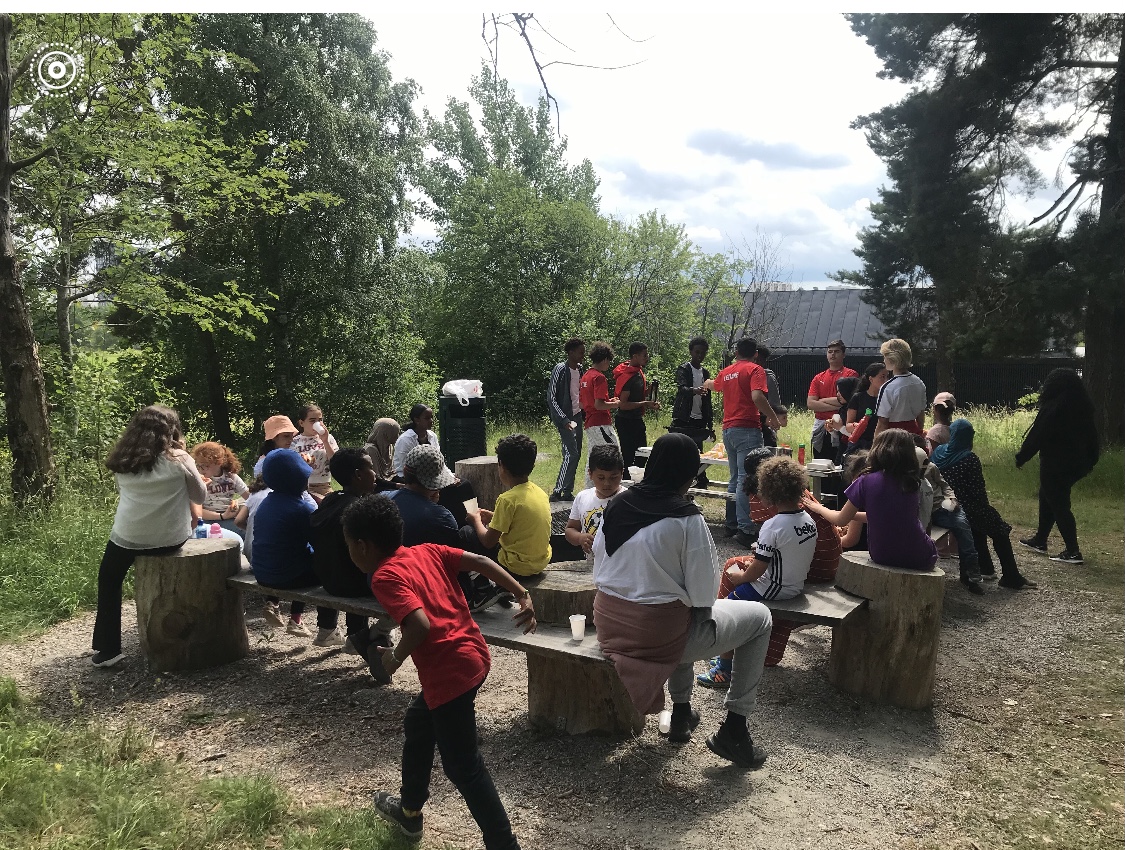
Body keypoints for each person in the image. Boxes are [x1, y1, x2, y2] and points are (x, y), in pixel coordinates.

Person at [342, 494, 535, 850]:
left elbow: (419, 625)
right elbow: (479, 560)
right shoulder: (425, 550)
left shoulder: (383, 576)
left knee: (464, 768)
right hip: (474, 656)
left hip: (449, 673)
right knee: (419, 723)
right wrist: (522, 592)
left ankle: (504, 844)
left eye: (348, 546)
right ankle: (410, 811)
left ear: (362, 546)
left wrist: (394, 658)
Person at [592, 433, 773, 769]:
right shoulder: (686, 518)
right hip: (659, 636)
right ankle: (735, 728)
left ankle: (681, 714)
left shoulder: (617, 504)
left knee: (678, 610)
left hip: (610, 627)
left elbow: (599, 567)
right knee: (759, 618)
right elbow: (704, 593)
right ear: (689, 475)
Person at [90, 405, 207, 668]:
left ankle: (108, 650)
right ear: (172, 430)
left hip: (128, 537)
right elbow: (200, 497)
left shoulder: (123, 460)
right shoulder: (180, 459)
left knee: (109, 579)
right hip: (171, 538)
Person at [698, 455, 828, 683]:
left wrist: (740, 577)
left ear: (768, 492)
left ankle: (724, 668)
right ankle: (726, 656)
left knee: (728, 608)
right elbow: (785, 554)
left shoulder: (773, 525)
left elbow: (757, 570)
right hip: (793, 585)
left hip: (774, 588)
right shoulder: (807, 520)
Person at [388, 444, 508, 612]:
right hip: (429, 586)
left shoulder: (384, 499)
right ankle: (481, 586)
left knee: (463, 486)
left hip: (391, 579)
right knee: (467, 532)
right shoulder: (441, 516)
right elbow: (454, 558)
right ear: (433, 483)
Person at [804, 429, 938, 571]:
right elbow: (889, 517)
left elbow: (840, 520)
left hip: (882, 555)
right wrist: (853, 515)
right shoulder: (911, 483)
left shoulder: (866, 480)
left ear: (877, 450)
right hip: (921, 555)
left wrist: (818, 508)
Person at [310, 449, 397, 670]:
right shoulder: (360, 511)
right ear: (358, 475)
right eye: (371, 468)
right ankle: (371, 636)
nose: (375, 474)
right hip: (354, 585)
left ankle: (351, 634)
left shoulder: (330, 500)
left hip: (328, 581)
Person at [934, 420, 1038, 589]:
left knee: (979, 526)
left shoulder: (938, 453)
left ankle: (986, 568)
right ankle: (1011, 576)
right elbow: (978, 492)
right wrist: (988, 512)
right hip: (967, 507)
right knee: (999, 530)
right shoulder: (969, 458)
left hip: (945, 507)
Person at [252, 448, 343, 640]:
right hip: (287, 576)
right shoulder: (302, 508)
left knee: (297, 557)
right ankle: (328, 630)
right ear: (301, 479)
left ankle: (283, 609)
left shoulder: (266, 503)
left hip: (261, 573)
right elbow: (321, 543)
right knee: (332, 570)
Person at [702, 337, 781, 549]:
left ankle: (731, 524)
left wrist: (706, 383)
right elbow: (757, 396)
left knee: (735, 476)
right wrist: (772, 417)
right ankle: (745, 530)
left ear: (736, 352)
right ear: (755, 353)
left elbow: (713, 385)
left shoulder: (728, 371)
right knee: (746, 478)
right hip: (747, 427)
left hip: (728, 429)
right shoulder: (756, 370)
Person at [1015, 368, 1101, 565]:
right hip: (1078, 464)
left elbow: (1037, 435)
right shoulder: (1084, 408)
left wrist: (1022, 457)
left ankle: (1073, 551)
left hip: (1055, 463)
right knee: (1048, 495)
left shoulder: (1053, 407)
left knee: (1059, 503)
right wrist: (1091, 460)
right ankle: (1040, 540)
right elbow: (1093, 438)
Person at [467, 434, 552, 578]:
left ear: (502, 466)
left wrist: (475, 520)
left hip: (515, 568)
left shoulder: (507, 499)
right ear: (532, 465)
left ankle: (481, 586)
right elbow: (521, 522)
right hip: (540, 563)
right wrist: (494, 516)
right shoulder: (540, 492)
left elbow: (488, 542)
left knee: (466, 533)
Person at [393, 403, 476, 525]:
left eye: (432, 417)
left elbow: (439, 461)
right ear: (416, 420)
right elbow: (405, 467)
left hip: (432, 474)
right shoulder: (405, 440)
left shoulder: (432, 436)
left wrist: (450, 477)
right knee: (447, 493)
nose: (431, 421)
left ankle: (474, 516)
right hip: (413, 477)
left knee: (464, 485)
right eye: (427, 418)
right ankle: (455, 523)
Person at [916, 447, 983, 594]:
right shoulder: (904, 472)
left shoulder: (932, 468)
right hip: (923, 513)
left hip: (942, 508)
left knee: (963, 530)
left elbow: (945, 485)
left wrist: (951, 498)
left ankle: (972, 575)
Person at [564, 443, 625, 558]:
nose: (607, 483)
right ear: (590, 474)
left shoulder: (628, 499)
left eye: (613, 477)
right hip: (591, 566)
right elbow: (570, 529)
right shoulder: (582, 497)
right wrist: (580, 538)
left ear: (622, 473)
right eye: (601, 478)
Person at [670, 336, 714, 487]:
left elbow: (708, 399)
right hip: (684, 417)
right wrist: (694, 390)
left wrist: (710, 423)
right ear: (691, 352)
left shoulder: (705, 373)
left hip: (699, 418)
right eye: (697, 352)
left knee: (697, 451)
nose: (700, 356)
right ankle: (679, 480)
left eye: (703, 353)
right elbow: (681, 388)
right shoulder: (684, 369)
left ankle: (697, 480)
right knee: (681, 450)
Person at [547, 337, 586, 502]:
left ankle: (567, 492)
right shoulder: (560, 369)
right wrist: (563, 419)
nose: (582, 355)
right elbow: (551, 397)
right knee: (571, 454)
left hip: (578, 416)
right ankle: (557, 491)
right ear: (570, 352)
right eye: (580, 352)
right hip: (565, 418)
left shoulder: (581, 369)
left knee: (575, 454)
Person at [578, 341, 621, 490]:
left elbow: (583, 404)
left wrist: (608, 401)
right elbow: (599, 405)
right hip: (601, 423)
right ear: (604, 360)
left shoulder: (585, 376)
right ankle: (611, 489)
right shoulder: (599, 377)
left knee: (593, 457)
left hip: (589, 423)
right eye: (609, 362)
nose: (608, 365)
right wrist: (615, 404)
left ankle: (588, 490)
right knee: (614, 454)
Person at [613, 342, 660, 478]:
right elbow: (623, 404)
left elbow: (638, 395)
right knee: (629, 456)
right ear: (635, 356)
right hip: (626, 421)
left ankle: (635, 481)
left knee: (642, 454)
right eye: (644, 355)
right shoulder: (628, 376)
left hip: (636, 419)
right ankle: (626, 483)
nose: (647, 357)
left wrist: (649, 391)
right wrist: (645, 403)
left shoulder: (638, 371)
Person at [806, 339, 858, 459]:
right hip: (821, 425)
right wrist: (838, 404)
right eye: (830, 352)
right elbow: (811, 404)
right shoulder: (818, 377)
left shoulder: (850, 375)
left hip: (842, 423)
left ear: (843, 354)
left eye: (836, 351)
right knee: (821, 461)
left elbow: (849, 401)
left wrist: (822, 401)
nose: (832, 354)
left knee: (839, 461)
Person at [190, 441, 250, 534]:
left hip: (229, 518)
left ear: (218, 462)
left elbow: (250, 497)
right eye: (198, 466)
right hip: (207, 521)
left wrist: (239, 509)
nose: (201, 470)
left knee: (249, 530)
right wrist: (222, 516)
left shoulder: (231, 477)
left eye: (205, 465)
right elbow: (197, 510)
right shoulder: (198, 479)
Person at [873, 338, 927, 439]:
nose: (884, 360)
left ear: (892, 358)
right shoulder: (919, 382)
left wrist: (874, 449)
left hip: (893, 437)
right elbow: (921, 415)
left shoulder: (888, 387)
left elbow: (882, 423)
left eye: (885, 356)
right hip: (914, 435)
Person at [838, 364, 889, 455]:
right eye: (882, 377)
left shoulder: (887, 398)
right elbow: (848, 426)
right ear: (871, 379)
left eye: (887, 377)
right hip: (859, 445)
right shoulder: (858, 398)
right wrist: (858, 425)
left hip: (881, 444)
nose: (886, 380)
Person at [290, 403, 339, 498]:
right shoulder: (294, 442)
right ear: (301, 423)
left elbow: (336, 462)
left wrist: (325, 441)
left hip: (324, 486)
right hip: (302, 487)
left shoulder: (329, 438)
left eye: (320, 420)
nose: (318, 424)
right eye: (312, 421)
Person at [752, 345, 788, 448]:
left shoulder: (768, 377)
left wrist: (773, 420)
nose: (756, 362)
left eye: (759, 360)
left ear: (763, 361)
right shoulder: (748, 374)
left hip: (765, 424)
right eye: (754, 359)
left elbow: (774, 403)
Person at [822, 376, 859, 464]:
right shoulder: (843, 409)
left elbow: (858, 435)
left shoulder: (858, 409)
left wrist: (840, 428)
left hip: (856, 451)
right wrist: (832, 430)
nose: (838, 394)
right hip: (843, 450)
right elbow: (840, 436)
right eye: (837, 391)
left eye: (840, 391)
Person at [363, 417, 403, 491]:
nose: (397, 436)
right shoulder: (371, 450)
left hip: (387, 484)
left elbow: (390, 475)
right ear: (386, 433)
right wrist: (397, 485)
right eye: (394, 433)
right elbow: (374, 480)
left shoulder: (388, 447)